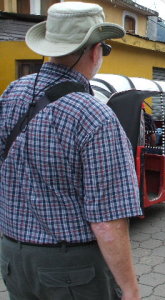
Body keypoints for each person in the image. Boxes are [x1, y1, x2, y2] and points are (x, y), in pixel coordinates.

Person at [0, 2, 142, 299]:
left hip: (13, 258)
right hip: (70, 271)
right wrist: (129, 289)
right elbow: (107, 220)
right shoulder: (96, 117)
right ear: (94, 50)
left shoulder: (12, 93)